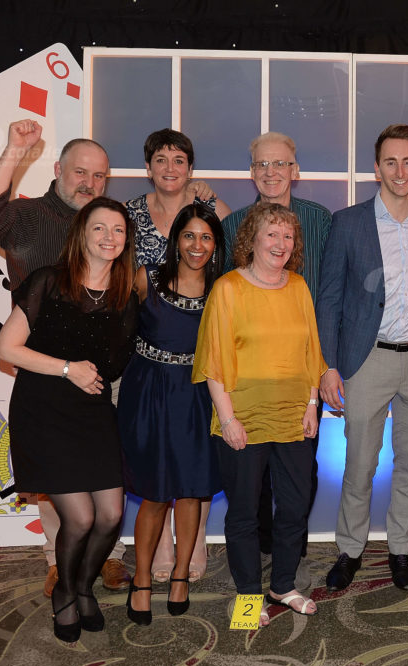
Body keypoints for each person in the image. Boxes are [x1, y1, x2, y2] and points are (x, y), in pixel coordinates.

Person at [0, 120, 132, 595]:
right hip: (43, 366)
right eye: (81, 172)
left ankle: (108, 559)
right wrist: (16, 149)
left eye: (99, 176)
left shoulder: (110, 223)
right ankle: (58, 560)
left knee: (104, 472)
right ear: (58, 169)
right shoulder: (28, 215)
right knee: (57, 479)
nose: (90, 183)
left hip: (99, 373)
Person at [0, 196, 138, 641]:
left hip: (92, 409)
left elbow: (114, 365)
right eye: (99, 228)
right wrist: (66, 367)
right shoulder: (49, 282)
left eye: (117, 230)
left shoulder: (124, 296)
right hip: (44, 407)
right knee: (78, 518)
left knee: (111, 514)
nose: (109, 237)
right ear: (82, 233)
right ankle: (66, 597)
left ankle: (81, 586)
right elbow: (6, 348)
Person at [317, 124, 408, 593]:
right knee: (360, 464)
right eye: (390, 161)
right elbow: (329, 298)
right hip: (366, 360)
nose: (399, 170)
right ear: (376, 168)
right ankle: (350, 550)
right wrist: (329, 365)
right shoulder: (347, 222)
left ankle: (400, 550)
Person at [192, 202, 326, 626]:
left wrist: (311, 404)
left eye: (287, 237)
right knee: (245, 512)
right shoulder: (228, 289)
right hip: (242, 420)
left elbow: (311, 353)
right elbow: (213, 359)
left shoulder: (300, 287)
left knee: (293, 507)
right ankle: (248, 597)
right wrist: (228, 419)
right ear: (251, 239)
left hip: (293, 419)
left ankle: (283, 585)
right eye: (271, 234)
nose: (280, 244)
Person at [220, 131, 332, 588]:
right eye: (262, 164)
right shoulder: (231, 227)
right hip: (246, 385)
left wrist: (323, 371)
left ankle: (288, 563)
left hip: (300, 381)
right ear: (252, 173)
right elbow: (225, 306)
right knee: (248, 491)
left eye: (279, 163)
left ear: (294, 170)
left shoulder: (320, 221)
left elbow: (327, 295)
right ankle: (254, 568)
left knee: (298, 479)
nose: (270, 172)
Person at [125, 128, 231, 583]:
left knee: (195, 478)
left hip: (197, 385)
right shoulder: (129, 218)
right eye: (161, 159)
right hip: (148, 376)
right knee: (154, 482)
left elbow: (235, 233)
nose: (170, 167)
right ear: (149, 167)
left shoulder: (220, 280)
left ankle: (189, 557)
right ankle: (153, 565)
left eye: (180, 160)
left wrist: (212, 202)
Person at [118, 203, 225, 625]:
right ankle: (142, 578)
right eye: (189, 236)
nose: (196, 245)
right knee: (155, 492)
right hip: (149, 394)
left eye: (206, 237)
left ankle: (180, 573)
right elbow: (112, 325)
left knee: (192, 490)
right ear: (175, 240)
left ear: (215, 245)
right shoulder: (147, 278)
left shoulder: (223, 288)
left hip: (198, 395)